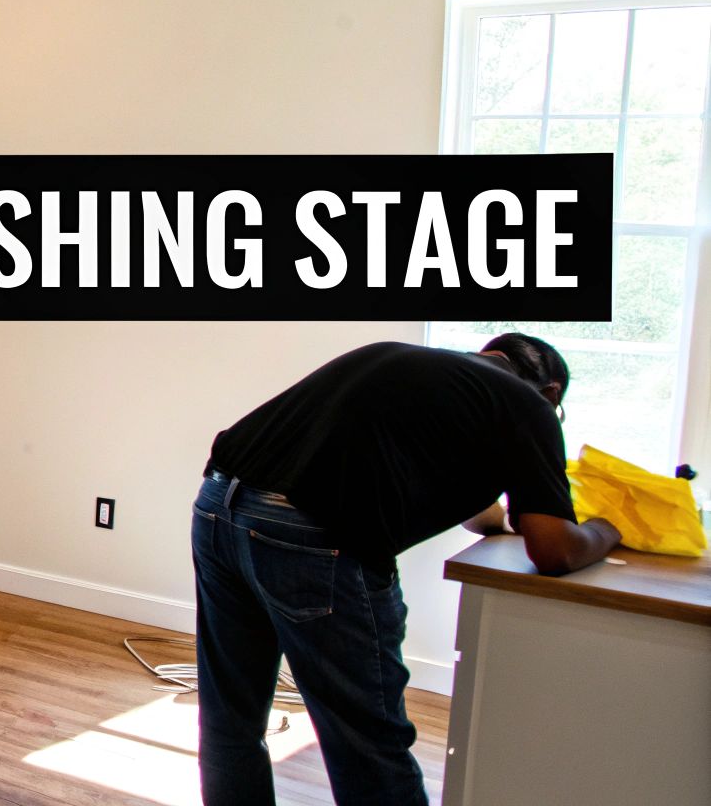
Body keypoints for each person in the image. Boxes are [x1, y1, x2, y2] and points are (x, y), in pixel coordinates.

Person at [191, 334, 620, 806]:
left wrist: (505, 519)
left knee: (230, 719)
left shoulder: (408, 362)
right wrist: (607, 530)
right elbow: (554, 550)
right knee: (367, 742)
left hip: (218, 506)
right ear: (552, 392)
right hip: (309, 534)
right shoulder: (528, 405)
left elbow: (480, 514)